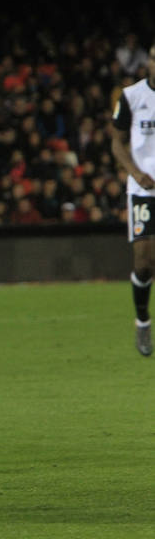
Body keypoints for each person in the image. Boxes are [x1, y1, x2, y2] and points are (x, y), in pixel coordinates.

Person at [111, 42, 155, 357]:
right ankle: (142, 321)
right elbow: (117, 143)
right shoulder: (132, 96)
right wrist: (135, 173)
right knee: (144, 262)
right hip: (143, 190)